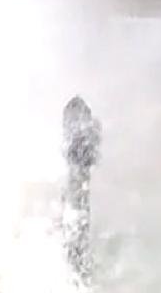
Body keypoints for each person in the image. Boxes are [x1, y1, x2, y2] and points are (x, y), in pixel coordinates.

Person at [62, 96, 101, 287]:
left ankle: (78, 276)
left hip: (76, 193)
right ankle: (80, 276)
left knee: (76, 233)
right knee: (77, 233)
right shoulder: (87, 136)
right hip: (78, 193)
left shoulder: (78, 141)